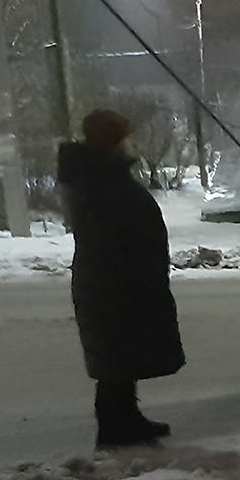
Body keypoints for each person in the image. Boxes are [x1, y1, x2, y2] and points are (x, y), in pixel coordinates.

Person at [56, 109, 185, 448]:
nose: (132, 143)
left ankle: (127, 418)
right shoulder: (102, 182)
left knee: (122, 355)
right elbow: (114, 236)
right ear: (112, 143)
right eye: (125, 137)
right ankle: (114, 427)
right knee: (116, 356)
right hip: (114, 282)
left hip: (114, 279)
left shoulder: (98, 177)